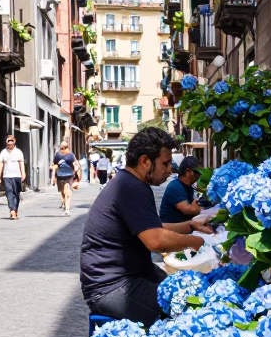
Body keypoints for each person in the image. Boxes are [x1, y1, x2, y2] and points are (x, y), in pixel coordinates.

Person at [80, 128, 212, 324]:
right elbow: (156, 241)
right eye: (165, 164)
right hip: (112, 287)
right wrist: (195, 242)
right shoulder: (132, 188)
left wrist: (190, 226)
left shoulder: (128, 182)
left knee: (189, 288)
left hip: (129, 277)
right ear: (144, 161)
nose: (170, 170)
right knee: (190, 309)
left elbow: (154, 227)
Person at [158, 154, 202, 223]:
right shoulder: (175, 186)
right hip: (172, 228)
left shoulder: (189, 187)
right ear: (188, 172)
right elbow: (188, 210)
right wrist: (207, 211)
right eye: (198, 172)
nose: (199, 176)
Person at [0, 134, 26, 220]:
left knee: (16, 193)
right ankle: (12, 210)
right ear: (6, 142)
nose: (10, 142)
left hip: (17, 175)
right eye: (9, 140)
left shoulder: (19, 152)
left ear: (14, 141)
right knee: (9, 193)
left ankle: (15, 210)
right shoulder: (3, 152)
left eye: (12, 140)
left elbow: (21, 163)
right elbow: (0, 164)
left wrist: (23, 173)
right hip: (7, 176)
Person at [50, 141, 81, 215]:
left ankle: (67, 208)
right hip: (65, 174)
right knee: (65, 191)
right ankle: (66, 206)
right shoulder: (67, 155)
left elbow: (54, 166)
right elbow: (76, 165)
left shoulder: (63, 155)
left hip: (64, 174)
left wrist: (53, 177)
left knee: (66, 191)